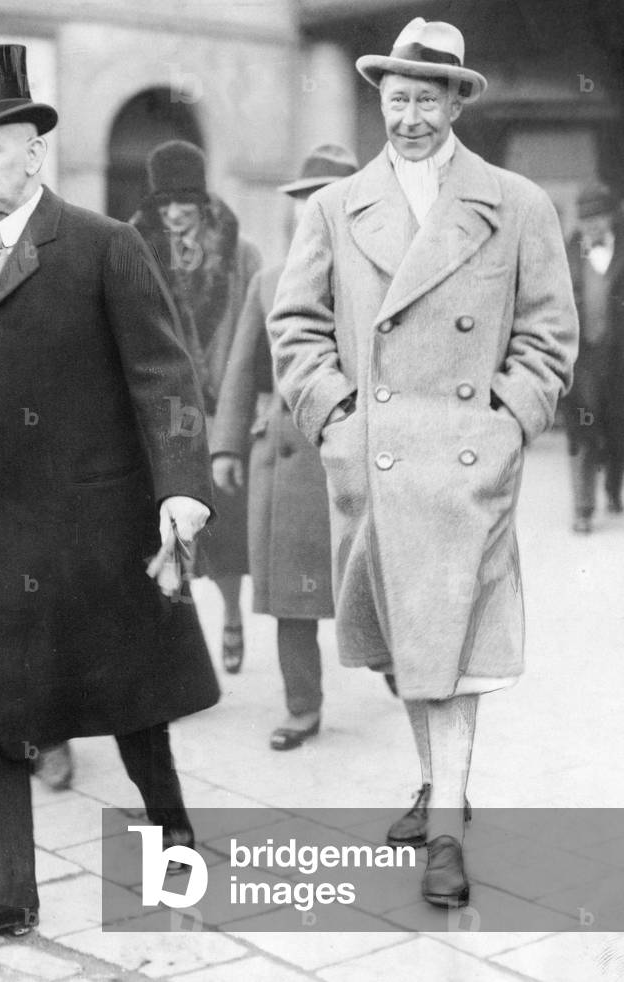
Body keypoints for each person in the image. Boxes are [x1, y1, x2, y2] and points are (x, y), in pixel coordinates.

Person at [269, 18, 578, 908]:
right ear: (381, 100)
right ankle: (435, 782)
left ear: (455, 102)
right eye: (395, 98)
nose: (407, 115)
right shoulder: (334, 206)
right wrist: (335, 418)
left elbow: (550, 331)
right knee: (409, 644)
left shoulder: (516, 202)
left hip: (468, 463)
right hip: (377, 459)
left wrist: (510, 420)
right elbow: (294, 327)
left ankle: (445, 820)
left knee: (460, 645)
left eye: (425, 99)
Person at [0, 43, 219, 953]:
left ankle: (174, 847)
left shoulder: (101, 245)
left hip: (93, 524)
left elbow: (166, 373)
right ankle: (1, 889)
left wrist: (180, 491)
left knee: (131, 707)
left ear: (32, 152)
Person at [211, 145, 357, 750]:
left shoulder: (386, 278)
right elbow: (243, 369)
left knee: (379, 579)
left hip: (362, 454)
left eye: (323, 201)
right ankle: (303, 705)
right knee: (290, 593)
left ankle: (401, 664)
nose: (309, 212)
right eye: (303, 201)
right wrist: (225, 447)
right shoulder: (270, 281)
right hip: (287, 455)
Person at [131, 141, 261, 673]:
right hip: (162, 416)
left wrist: (243, 406)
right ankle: (179, 643)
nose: (176, 212)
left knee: (225, 533)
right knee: (166, 530)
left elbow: (256, 337)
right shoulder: (133, 249)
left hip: (224, 412)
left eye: (186, 201)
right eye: (166, 204)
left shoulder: (241, 253)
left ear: (203, 202)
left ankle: (231, 614)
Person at [562, 181, 624, 532]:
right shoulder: (567, 253)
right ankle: (583, 509)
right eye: (586, 220)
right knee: (582, 430)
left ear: (610, 218)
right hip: (581, 362)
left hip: (619, 362)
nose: (592, 226)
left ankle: (614, 489)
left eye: (598, 218)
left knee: (617, 432)